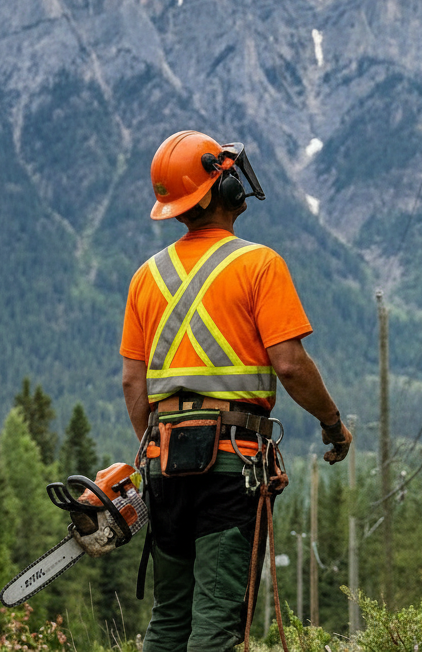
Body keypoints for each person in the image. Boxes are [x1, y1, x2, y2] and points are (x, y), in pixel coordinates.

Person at [120, 130, 353, 652]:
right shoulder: (258, 264)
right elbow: (290, 366)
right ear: (219, 191)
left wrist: (155, 450)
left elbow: (133, 382)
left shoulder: (145, 278)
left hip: (163, 465)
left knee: (170, 619)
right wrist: (332, 423)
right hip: (231, 466)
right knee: (217, 626)